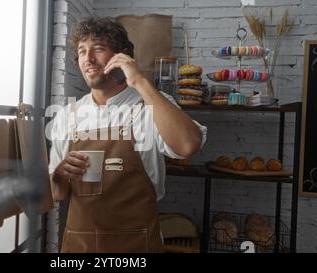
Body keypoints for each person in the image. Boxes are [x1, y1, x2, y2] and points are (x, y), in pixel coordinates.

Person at [48, 17, 207, 253]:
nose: (88, 59)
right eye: (82, 51)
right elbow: (57, 194)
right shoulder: (67, 115)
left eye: (98, 48)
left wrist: (139, 81)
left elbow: (188, 145)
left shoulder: (150, 105)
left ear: (121, 57)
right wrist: (59, 175)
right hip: (78, 249)